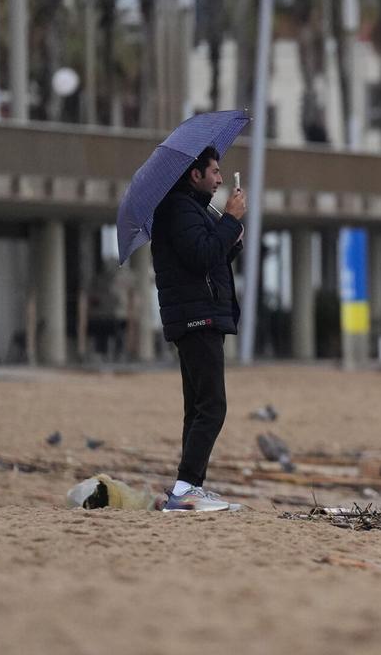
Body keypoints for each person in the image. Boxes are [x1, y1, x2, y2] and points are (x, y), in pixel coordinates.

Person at [151, 145, 246, 512]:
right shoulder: (178, 208)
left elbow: (210, 258)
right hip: (197, 318)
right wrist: (231, 221)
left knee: (198, 407)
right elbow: (201, 256)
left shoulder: (192, 209)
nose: (221, 178)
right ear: (196, 175)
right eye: (215, 171)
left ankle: (189, 486)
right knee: (213, 406)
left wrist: (230, 238)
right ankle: (185, 487)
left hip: (199, 315)